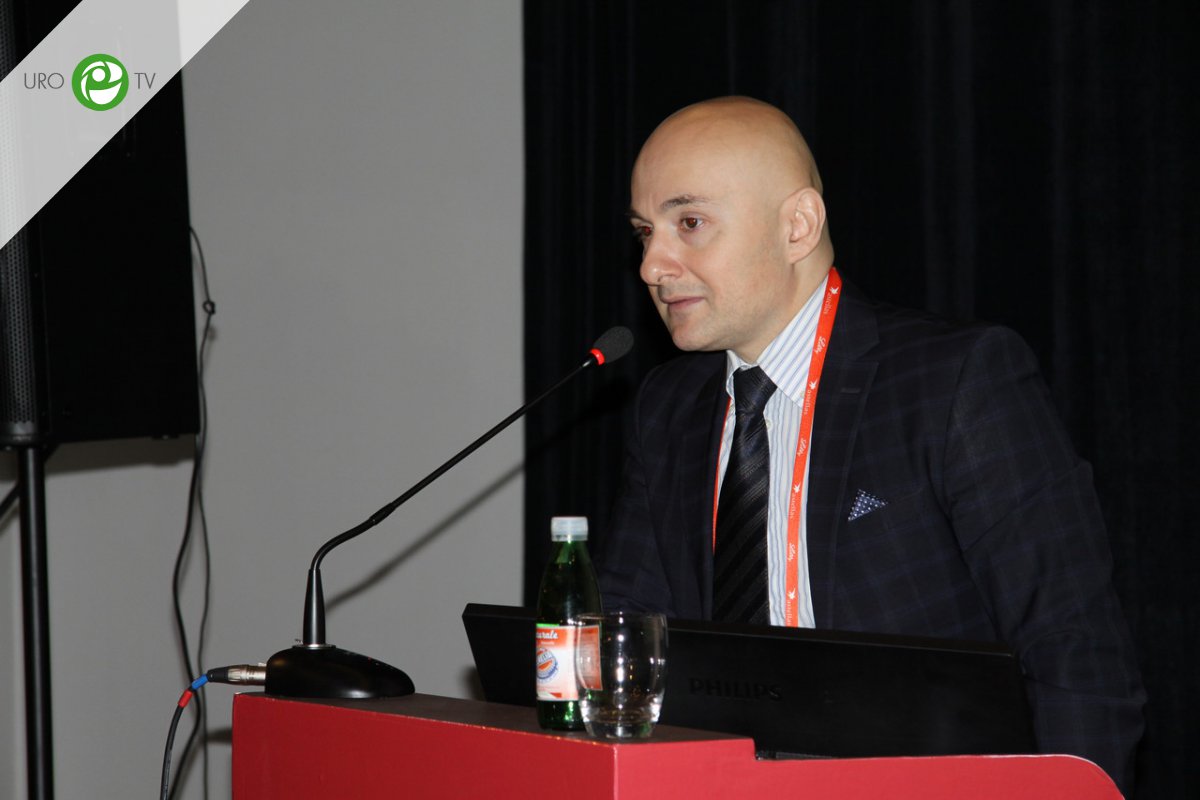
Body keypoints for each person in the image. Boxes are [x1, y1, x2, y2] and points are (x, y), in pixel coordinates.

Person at [595, 96, 1145, 792]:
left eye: (690, 223)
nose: (652, 264)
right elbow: (625, 640)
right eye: (644, 232)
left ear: (797, 226)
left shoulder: (951, 379)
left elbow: (1073, 649)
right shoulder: (669, 408)